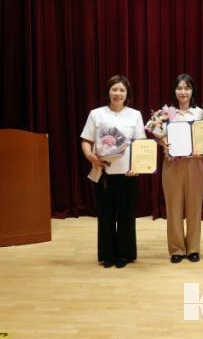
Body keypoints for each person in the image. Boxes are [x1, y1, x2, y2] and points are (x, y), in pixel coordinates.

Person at [80, 74, 146, 269]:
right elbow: (86, 140)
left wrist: (136, 167)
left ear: (127, 94)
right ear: (108, 92)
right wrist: (91, 156)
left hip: (128, 174)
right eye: (114, 89)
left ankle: (124, 254)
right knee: (106, 215)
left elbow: (140, 144)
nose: (118, 93)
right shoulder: (96, 114)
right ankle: (107, 254)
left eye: (122, 90)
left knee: (126, 215)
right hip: (104, 173)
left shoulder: (135, 115)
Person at [155, 74, 203, 264]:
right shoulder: (165, 112)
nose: (183, 92)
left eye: (187, 88)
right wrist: (163, 142)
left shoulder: (200, 113)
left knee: (194, 207)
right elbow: (155, 132)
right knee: (173, 207)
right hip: (172, 165)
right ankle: (177, 249)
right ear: (174, 91)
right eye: (179, 88)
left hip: (195, 164)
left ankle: (193, 248)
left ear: (192, 91)